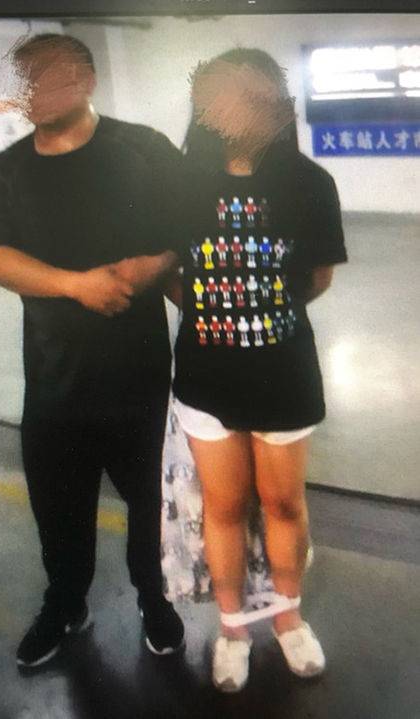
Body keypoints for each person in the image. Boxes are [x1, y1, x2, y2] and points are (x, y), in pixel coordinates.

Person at [0, 33, 184, 668]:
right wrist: (77, 285)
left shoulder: (143, 148)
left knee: (150, 503)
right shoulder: (6, 171)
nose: (32, 92)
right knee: (58, 509)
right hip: (53, 381)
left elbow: (181, 232)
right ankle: (65, 603)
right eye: (23, 81)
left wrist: (149, 269)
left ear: (86, 80)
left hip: (139, 377)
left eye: (47, 76)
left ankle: (155, 599)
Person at [167, 48, 347, 692]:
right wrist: (215, 311)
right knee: (223, 507)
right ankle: (233, 629)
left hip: (285, 375)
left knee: (283, 504)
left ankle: (289, 619)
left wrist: (264, 312)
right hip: (206, 376)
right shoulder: (179, 183)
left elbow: (317, 278)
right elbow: (168, 273)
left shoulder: (308, 183)